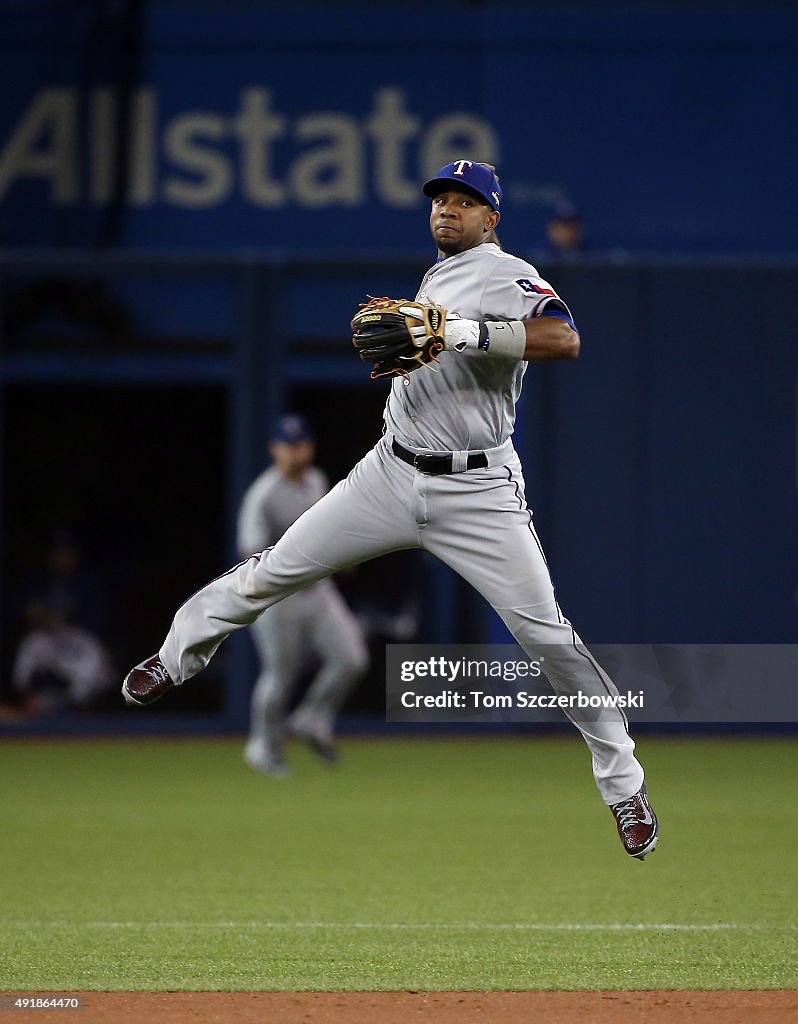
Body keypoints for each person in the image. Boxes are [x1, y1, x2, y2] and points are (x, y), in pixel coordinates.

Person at [123, 159, 659, 861]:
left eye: (465, 201)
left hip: (478, 491)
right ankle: (173, 658)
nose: (448, 210)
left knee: (549, 640)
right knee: (273, 568)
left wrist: (466, 334)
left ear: (492, 217)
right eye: (441, 198)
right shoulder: (437, 276)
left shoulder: (505, 271)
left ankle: (625, 789)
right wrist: (439, 332)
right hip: (390, 469)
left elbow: (565, 339)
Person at [237, 414, 368, 776]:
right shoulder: (263, 495)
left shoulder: (316, 480)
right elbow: (249, 553)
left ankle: (312, 718)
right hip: (279, 596)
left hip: (319, 590)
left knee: (351, 658)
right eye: (288, 446)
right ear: (274, 449)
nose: (295, 453)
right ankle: (262, 747)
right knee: (281, 674)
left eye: (300, 445)